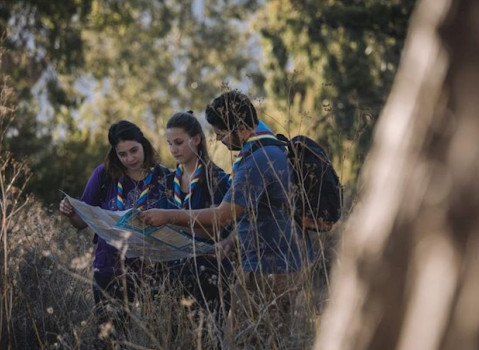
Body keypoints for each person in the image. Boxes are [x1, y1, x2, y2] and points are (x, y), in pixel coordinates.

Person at [139, 91, 314, 347]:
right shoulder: (270, 146)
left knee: (254, 341)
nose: (219, 140)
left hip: (271, 266)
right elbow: (259, 211)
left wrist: (167, 216)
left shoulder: (255, 160)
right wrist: (231, 241)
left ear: (241, 128)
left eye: (221, 133)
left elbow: (222, 215)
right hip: (273, 259)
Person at [59, 120, 170, 339]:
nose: (130, 158)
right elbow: (82, 222)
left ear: (144, 145)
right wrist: (71, 213)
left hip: (154, 268)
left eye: (134, 150)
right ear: (115, 154)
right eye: (122, 154)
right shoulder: (104, 175)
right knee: (110, 337)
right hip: (110, 266)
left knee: (159, 333)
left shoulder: (164, 177)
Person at [162, 111, 232, 343]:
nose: (173, 149)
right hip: (174, 273)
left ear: (197, 140)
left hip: (209, 274)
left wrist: (177, 222)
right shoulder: (167, 182)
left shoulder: (217, 180)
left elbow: (224, 224)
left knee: (209, 339)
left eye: (179, 142)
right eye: (170, 143)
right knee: (175, 339)